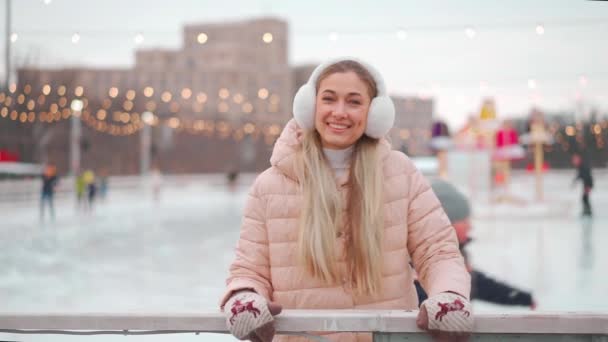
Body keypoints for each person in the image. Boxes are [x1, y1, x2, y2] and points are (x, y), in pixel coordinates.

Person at [220, 57, 473, 342]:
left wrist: (449, 295)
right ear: (310, 106)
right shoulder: (269, 186)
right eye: (329, 99)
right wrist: (244, 298)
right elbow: (249, 269)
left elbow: (437, 251)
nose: (339, 112)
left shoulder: (400, 173)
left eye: (354, 102)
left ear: (374, 113)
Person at [415, 180, 536, 309]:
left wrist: (522, 297)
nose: (470, 226)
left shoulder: (455, 253)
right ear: (445, 223)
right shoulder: (422, 259)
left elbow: (478, 285)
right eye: (464, 220)